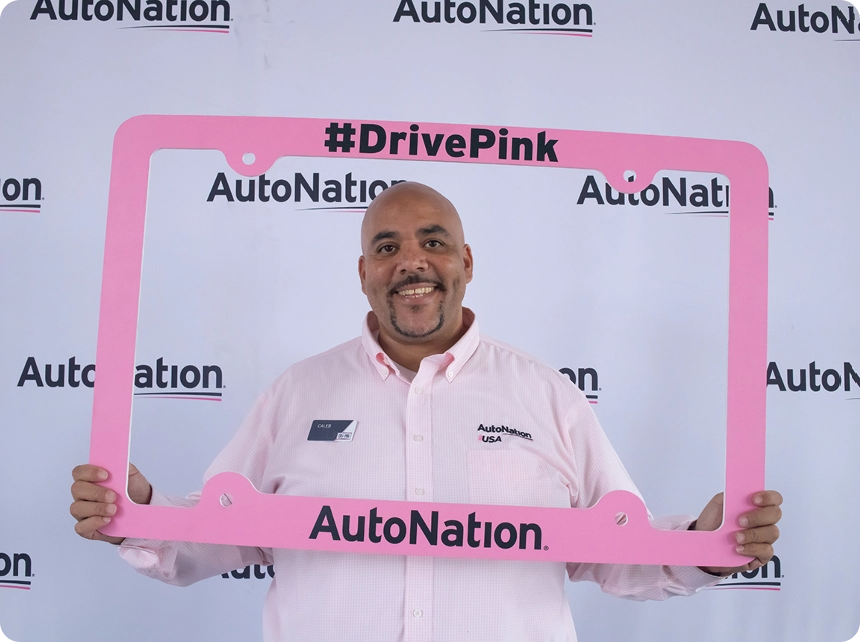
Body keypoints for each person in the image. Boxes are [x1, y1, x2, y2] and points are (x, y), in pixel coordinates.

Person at [70, 182, 782, 641]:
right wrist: (137, 509)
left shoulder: (545, 396)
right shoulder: (297, 394)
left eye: (432, 242)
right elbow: (209, 541)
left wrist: (705, 541)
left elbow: (618, 554)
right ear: (363, 273)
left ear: (466, 260)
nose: (411, 261)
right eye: (387, 247)